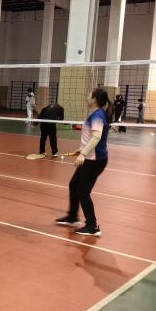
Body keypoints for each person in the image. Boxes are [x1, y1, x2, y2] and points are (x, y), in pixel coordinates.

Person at [55, 88, 112, 237]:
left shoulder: (98, 115)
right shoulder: (95, 114)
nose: (87, 97)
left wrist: (84, 153)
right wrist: (81, 150)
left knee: (83, 192)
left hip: (95, 160)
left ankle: (92, 226)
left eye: (89, 95)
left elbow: (97, 137)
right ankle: (72, 217)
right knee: (74, 185)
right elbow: (90, 138)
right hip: (90, 157)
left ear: (94, 99)